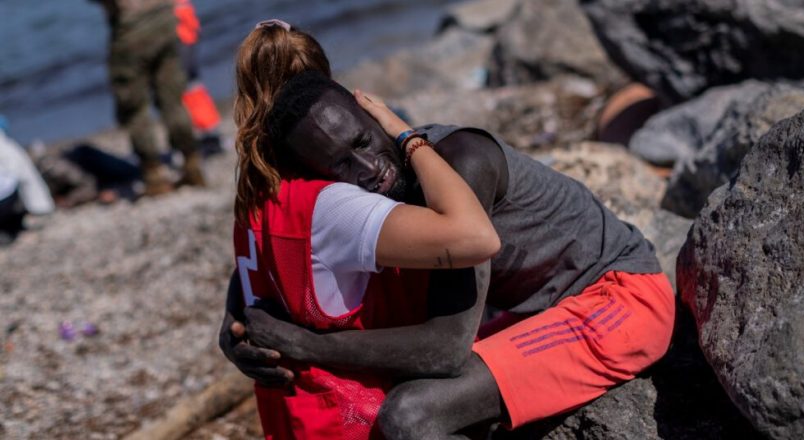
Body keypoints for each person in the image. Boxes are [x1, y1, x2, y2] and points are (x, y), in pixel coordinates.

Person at [220, 23, 676, 439]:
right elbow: (273, 243)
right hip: (544, 309)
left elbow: (445, 350)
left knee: (410, 414)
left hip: (616, 298)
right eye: (341, 166)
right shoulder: (358, 190)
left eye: (364, 142)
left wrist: (307, 345)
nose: (368, 170)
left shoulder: (461, 161)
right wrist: (236, 322)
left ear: (375, 115)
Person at [228, 20, 499, 440]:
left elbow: (257, 280)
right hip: (355, 417)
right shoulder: (333, 205)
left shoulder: (255, 196)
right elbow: (473, 240)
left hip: (294, 418)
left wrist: (233, 326)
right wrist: (408, 138)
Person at [90, 0, 205, 195]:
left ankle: (154, 175)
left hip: (131, 28)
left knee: (134, 107)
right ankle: (191, 161)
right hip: (164, 18)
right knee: (172, 98)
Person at [173, 0, 224, 155]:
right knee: (190, 86)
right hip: (183, 32)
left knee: (189, 87)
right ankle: (207, 133)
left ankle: (210, 134)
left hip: (180, 35)